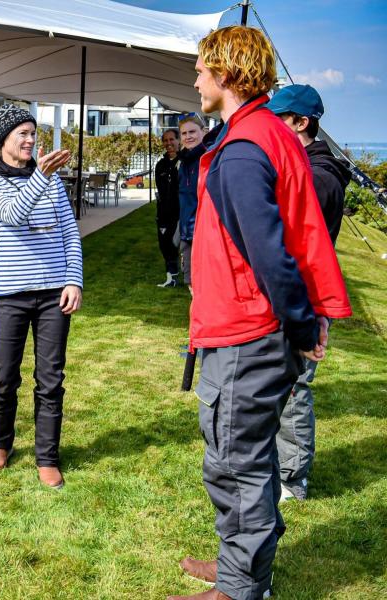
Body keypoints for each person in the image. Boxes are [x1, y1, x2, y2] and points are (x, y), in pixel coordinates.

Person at [169, 26, 352, 600]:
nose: (196, 78)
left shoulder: (246, 146)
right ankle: (237, 566)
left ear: (225, 74)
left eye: (202, 68)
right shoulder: (259, 133)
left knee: (236, 464)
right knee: (241, 459)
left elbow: (272, 252)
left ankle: (241, 588)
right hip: (248, 328)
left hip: (250, 335)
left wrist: (301, 326)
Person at [0, 104, 83, 489]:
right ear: (3, 139)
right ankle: (0, 445)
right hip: (11, 297)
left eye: (32, 133)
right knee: (4, 378)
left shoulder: (51, 181)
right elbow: (12, 216)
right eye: (22, 133)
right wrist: (41, 174)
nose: (30, 139)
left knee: (50, 379)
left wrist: (74, 280)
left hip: (54, 295)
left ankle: (47, 456)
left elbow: (70, 233)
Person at [266, 84, 352, 502]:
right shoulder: (299, 165)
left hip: (306, 299)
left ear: (301, 123)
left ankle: (291, 479)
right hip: (287, 295)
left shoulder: (319, 177)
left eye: (279, 119)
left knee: (295, 388)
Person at [177, 114, 206, 292]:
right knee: (191, 283)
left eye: (192, 132)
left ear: (203, 132)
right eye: (184, 133)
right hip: (186, 232)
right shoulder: (182, 163)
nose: (188, 136)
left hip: (204, 232)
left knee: (207, 285)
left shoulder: (208, 159)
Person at [155, 129, 181, 287]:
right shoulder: (161, 165)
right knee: (165, 245)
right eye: (165, 140)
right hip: (164, 213)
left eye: (172, 139)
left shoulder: (186, 161)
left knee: (178, 244)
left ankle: (189, 277)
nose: (169, 143)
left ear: (178, 141)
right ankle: (171, 277)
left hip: (182, 212)